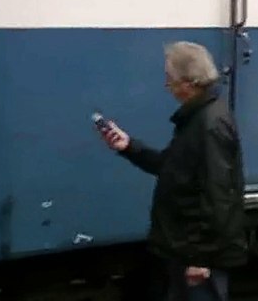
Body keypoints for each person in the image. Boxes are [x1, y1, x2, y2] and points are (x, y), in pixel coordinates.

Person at [97, 41, 248, 301]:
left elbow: (219, 195)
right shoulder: (198, 120)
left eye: (170, 80)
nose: (168, 86)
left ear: (189, 83)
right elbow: (171, 168)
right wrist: (129, 147)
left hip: (197, 253)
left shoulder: (209, 125)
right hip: (186, 249)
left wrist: (202, 258)